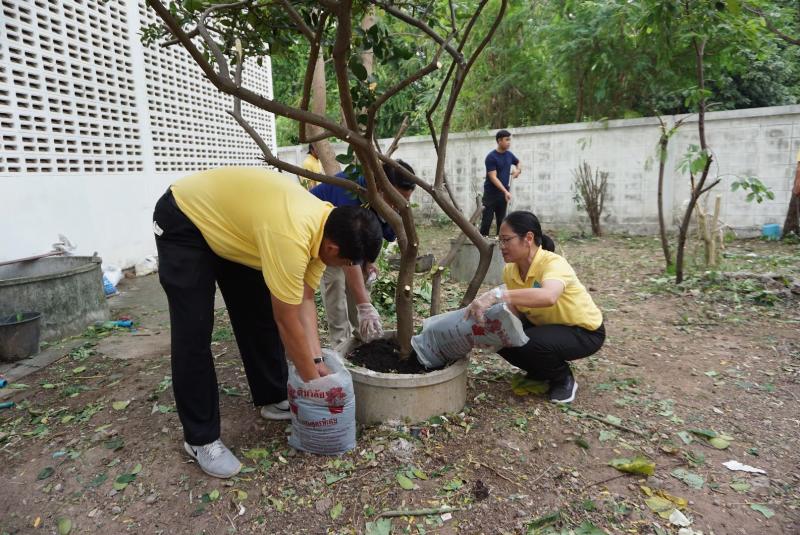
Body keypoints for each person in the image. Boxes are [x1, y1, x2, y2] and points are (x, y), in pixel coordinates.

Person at [152, 167, 382, 478]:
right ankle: (200, 439)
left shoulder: (326, 228)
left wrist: (316, 362)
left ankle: (272, 396)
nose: (345, 269)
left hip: (233, 228)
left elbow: (303, 302)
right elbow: (287, 320)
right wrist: (312, 385)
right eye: (346, 263)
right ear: (333, 249)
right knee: (193, 331)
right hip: (185, 217)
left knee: (256, 312)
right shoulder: (292, 237)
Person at [465, 211, 604, 403]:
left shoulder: (553, 263)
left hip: (584, 332)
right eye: (500, 241)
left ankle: (563, 379)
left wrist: (496, 294)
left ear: (528, 238)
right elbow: (518, 310)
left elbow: (548, 296)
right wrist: (489, 327)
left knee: (532, 342)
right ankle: (541, 371)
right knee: (502, 339)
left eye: (506, 240)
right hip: (546, 327)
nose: (502, 247)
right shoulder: (510, 271)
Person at [310, 161, 416, 347]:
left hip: (345, 243)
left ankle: (362, 336)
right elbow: (348, 257)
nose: (398, 207)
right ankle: (341, 343)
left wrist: (369, 263)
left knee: (360, 284)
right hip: (322, 241)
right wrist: (365, 306)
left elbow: (377, 236)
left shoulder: (388, 204)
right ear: (381, 189)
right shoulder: (349, 194)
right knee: (336, 282)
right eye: (395, 201)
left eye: (404, 201)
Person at [480, 129, 522, 236]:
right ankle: (482, 245)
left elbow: (518, 162)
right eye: (506, 140)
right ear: (499, 141)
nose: (509, 142)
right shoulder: (491, 157)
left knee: (502, 223)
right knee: (486, 222)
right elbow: (493, 178)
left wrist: (518, 170)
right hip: (491, 195)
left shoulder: (509, 155)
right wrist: (505, 191)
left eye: (510, 140)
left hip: (503, 195)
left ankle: (500, 246)